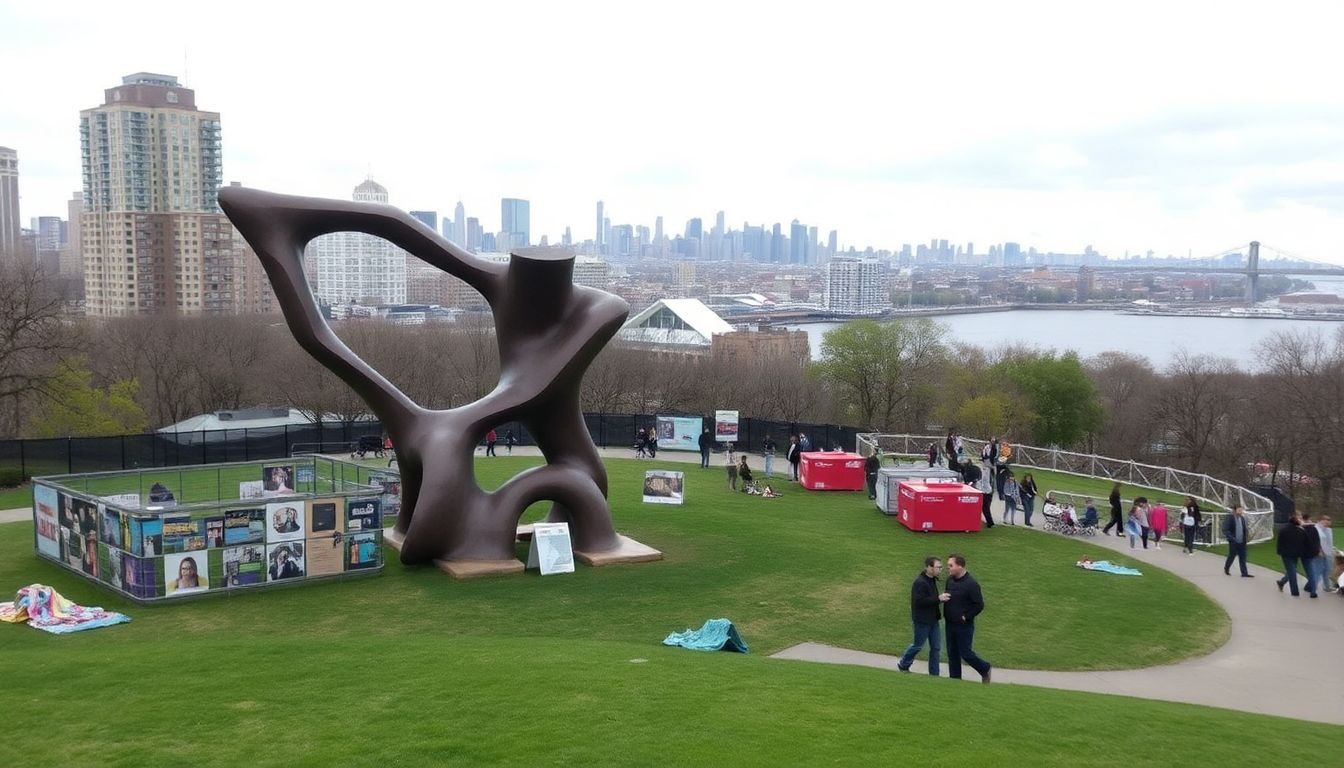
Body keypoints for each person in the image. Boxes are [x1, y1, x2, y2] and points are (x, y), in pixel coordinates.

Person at [942, 553, 991, 683]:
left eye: (951, 565)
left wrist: (966, 616)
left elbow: (979, 604)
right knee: (952, 654)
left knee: (966, 653)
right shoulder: (950, 580)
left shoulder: (971, 584)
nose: (948, 568)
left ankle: (985, 668)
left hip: (964, 625)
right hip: (950, 623)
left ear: (960, 566)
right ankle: (955, 680)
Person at [897, 557, 943, 676]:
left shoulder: (932, 580)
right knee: (918, 646)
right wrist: (938, 599)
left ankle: (934, 674)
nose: (940, 569)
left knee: (936, 647)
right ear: (929, 567)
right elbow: (919, 602)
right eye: (938, 567)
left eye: (940, 567)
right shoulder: (920, 582)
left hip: (933, 620)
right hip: (922, 620)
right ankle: (904, 663)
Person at [1275, 514, 1308, 597]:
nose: (1301, 520)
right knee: (1292, 572)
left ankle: (1281, 582)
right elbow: (1280, 543)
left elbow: (1304, 543)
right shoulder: (1286, 530)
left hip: (1294, 555)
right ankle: (1295, 592)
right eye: (1299, 518)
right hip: (1287, 555)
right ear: (1295, 520)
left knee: (1291, 571)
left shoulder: (1300, 530)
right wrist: (1279, 552)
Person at [1222, 504, 1253, 577]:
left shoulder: (1242, 518)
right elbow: (1225, 529)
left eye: (1242, 510)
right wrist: (1231, 538)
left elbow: (1244, 529)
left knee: (1243, 557)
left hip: (1242, 542)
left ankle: (1244, 573)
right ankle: (1226, 568)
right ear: (1235, 510)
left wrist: (1246, 538)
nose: (1241, 511)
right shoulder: (1230, 518)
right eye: (1239, 510)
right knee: (1232, 556)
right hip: (1234, 542)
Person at [1300, 512, 1321, 598]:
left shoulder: (1301, 529)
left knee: (1310, 572)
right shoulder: (1314, 529)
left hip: (1304, 554)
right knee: (1311, 571)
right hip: (1313, 552)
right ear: (1309, 518)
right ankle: (1308, 587)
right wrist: (1318, 550)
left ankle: (1313, 591)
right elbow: (1317, 540)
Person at [1315, 515, 1334, 593]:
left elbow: (1329, 542)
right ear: (1321, 520)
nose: (1327, 522)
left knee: (1328, 569)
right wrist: (1319, 550)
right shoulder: (1317, 528)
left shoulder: (1329, 530)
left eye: (1329, 520)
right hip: (1320, 553)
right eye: (1326, 520)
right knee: (1318, 570)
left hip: (1328, 552)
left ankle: (1327, 586)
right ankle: (1311, 586)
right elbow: (1316, 541)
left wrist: (1333, 549)